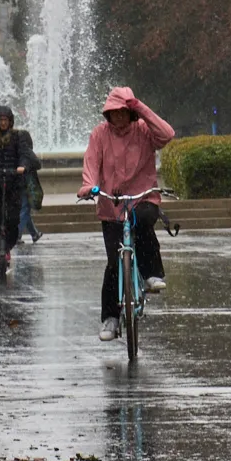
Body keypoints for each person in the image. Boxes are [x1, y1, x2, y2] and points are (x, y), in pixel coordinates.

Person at [81, 85, 174, 340]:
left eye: (124, 111)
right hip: (111, 205)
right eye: (114, 112)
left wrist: (140, 107)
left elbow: (167, 134)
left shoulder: (144, 131)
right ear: (107, 114)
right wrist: (89, 186)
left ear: (131, 112)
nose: (119, 117)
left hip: (142, 197)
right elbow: (91, 161)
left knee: (143, 221)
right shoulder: (100, 134)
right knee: (114, 262)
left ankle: (152, 274)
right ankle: (110, 318)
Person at [0, 105, 37, 277]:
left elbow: (24, 154)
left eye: (6, 120)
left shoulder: (17, 138)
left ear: (10, 121)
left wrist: (22, 166)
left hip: (13, 183)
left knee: (12, 218)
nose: (3, 123)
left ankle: (8, 245)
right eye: (0, 120)